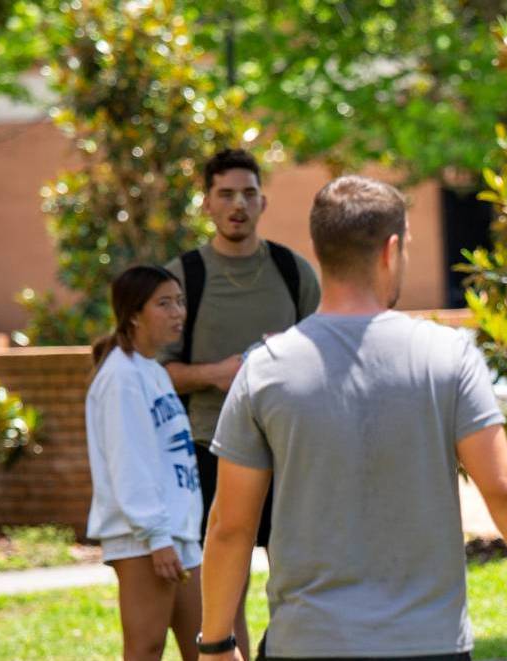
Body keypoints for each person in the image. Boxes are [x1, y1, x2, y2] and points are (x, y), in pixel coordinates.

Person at [196, 176, 507, 660]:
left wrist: (217, 642)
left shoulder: (265, 368)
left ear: (320, 252)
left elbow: (230, 525)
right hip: (428, 644)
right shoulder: (446, 356)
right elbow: (505, 487)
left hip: (307, 644)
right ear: (391, 250)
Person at [162, 148, 320, 657]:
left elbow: (332, 351)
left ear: (263, 201)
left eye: (248, 194)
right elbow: (152, 374)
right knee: (226, 586)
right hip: (211, 446)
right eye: (225, 194)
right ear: (206, 203)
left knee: (298, 578)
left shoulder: (292, 271)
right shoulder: (184, 277)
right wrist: (217, 374)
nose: (238, 205)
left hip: (291, 450)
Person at [86, 265, 202, 661]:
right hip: (144, 537)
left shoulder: (153, 372)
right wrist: (156, 536)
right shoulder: (121, 377)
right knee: (146, 649)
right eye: (164, 303)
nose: (178, 313)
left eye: (180, 302)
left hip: (177, 533)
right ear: (134, 314)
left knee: (208, 645)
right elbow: (129, 462)